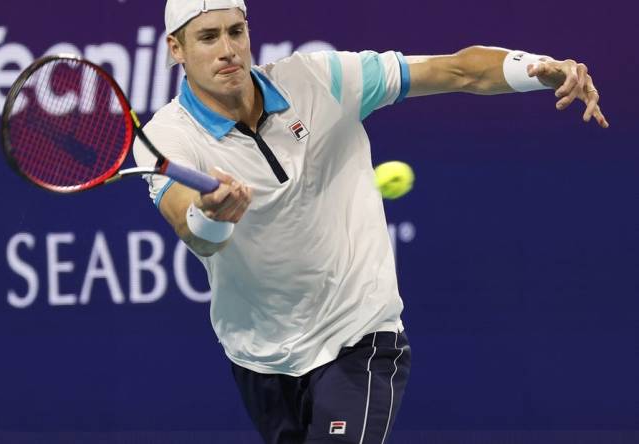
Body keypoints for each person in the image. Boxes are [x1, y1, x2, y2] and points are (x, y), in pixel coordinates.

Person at [133, 1, 608, 443]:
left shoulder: (320, 79)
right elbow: (190, 228)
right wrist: (212, 217)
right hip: (259, 356)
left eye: (236, 32)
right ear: (176, 48)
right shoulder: (166, 136)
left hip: (357, 334)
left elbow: (458, 69)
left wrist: (539, 69)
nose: (229, 50)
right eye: (208, 38)